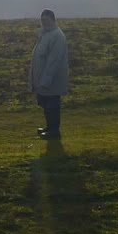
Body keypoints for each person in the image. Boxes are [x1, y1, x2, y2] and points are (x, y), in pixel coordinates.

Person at [29, 8, 69, 140]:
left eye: (46, 20)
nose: (44, 23)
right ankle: (49, 127)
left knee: (52, 105)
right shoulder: (44, 34)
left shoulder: (57, 36)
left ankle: (54, 131)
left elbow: (54, 62)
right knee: (45, 104)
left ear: (53, 20)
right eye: (42, 20)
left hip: (52, 80)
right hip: (43, 79)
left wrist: (46, 81)